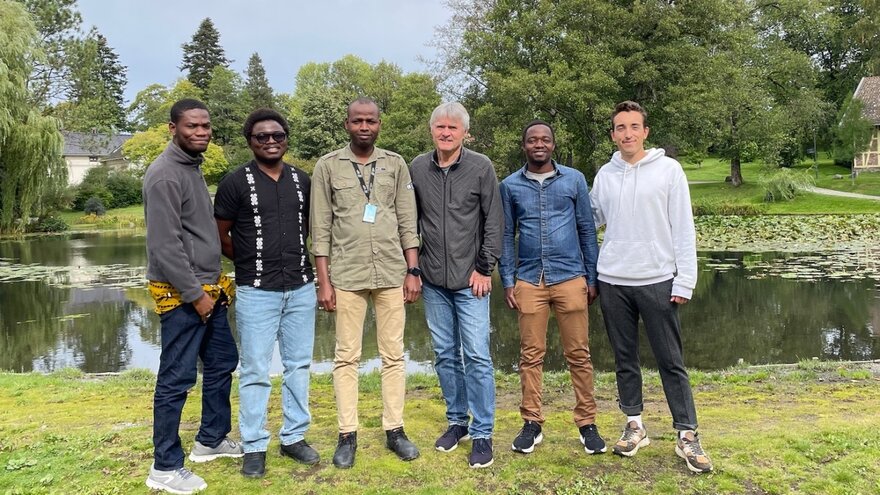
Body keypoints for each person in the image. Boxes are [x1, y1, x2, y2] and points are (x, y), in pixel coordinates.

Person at [590, 100, 713, 473]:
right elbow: (590, 219)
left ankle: (687, 435)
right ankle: (634, 426)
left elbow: (683, 228)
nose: (627, 133)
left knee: (670, 361)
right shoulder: (604, 175)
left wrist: (685, 279)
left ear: (645, 131)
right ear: (613, 134)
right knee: (625, 360)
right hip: (612, 281)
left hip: (658, 280)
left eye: (634, 126)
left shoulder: (669, 171)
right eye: (620, 128)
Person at [310, 97, 421, 469]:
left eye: (370, 121)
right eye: (357, 121)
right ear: (346, 125)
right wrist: (323, 281)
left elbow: (408, 220)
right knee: (346, 356)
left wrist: (413, 270)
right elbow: (320, 228)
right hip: (346, 274)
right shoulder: (327, 166)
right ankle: (347, 435)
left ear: (379, 124)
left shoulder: (396, 164)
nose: (364, 127)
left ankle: (395, 430)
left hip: (391, 272)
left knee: (393, 354)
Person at [143, 99, 242, 494]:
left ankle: (211, 439)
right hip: (184, 295)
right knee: (176, 377)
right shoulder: (165, 175)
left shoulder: (190, 168)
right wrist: (194, 295)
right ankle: (164, 467)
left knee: (222, 360)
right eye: (192, 127)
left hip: (209, 287)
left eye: (205, 126)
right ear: (172, 128)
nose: (201, 132)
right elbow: (165, 247)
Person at [214, 109, 319, 478]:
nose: (271, 141)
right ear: (250, 141)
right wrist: (247, 260)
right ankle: (255, 444)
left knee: (298, 366)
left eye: (277, 135)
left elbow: (313, 230)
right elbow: (220, 234)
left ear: (287, 138)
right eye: (262, 137)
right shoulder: (235, 182)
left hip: (302, 288)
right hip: (256, 291)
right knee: (256, 369)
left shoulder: (302, 180)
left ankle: (293, 437)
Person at [499, 120, 606, 456]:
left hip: (571, 277)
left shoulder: (574, 179)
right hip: (529, 280)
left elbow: (587, 230)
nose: (539, 144)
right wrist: (507, 279)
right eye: (532, 140)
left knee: (579, 354)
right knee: (530, 356)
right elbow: (505, 236)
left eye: (545, 139)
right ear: (524, 145)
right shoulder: (510, 186)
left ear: (553, 145)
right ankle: (532, 423)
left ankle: (587, 424)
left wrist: (592, 277)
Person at [409, 102, 502, 469]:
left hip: (471, 280)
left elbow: (494, 223)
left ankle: (482, 432)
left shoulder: (481, 167)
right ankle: (457, 422)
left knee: (477, 355)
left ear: (465, 133)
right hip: (433, 280)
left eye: (453, 128)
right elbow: (409, 221)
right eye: (440, 127)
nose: (446, 133)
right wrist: (412, 269)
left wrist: (484, 268)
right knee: (445, 354)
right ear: (432, 130)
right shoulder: (417, 167)